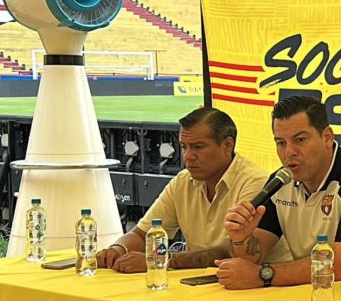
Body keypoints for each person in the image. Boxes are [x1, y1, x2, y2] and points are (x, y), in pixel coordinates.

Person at [216, 95, 341, 289]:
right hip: (306, 294)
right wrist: (241, 238)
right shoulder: (280, 181)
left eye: (300, 140)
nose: (289, 152)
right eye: (281, 143)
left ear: (327, 137)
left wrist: (263, 275)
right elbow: (255, 255)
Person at [95, 107, 286, 272]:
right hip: (200, 285)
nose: (188, 156)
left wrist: (162, 259)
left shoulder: (255, 181)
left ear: (228, 145)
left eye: (198, 147)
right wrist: (118, 249)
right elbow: (141, 234)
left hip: (253, 291)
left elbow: (232, 251)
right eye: (184, 147)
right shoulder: (183, 181)